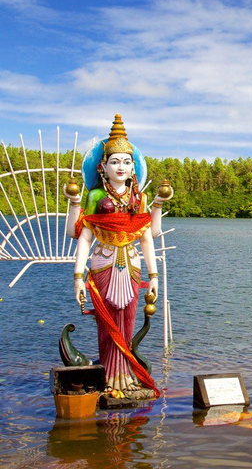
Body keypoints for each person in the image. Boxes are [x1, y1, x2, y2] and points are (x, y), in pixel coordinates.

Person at [64, 114, 172, 397]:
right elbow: (83, 237)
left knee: (129, 317)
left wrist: (154, 276)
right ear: (103, 166)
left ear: (133, 166)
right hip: (103, 262)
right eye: (115, 161)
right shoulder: (96, 196)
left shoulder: (138, 199)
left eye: (126, 161)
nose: (121, 167)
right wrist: (78, 277)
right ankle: (110, 375)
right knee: (107, 319)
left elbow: (148, 236)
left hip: (133, 264)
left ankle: (126, 373)